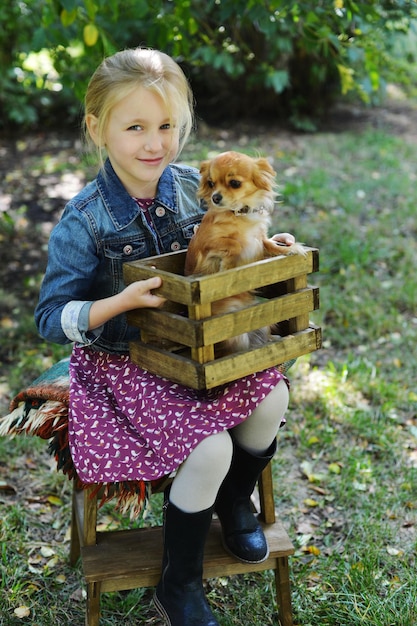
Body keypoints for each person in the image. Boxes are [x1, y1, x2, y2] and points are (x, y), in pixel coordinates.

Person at [35, 47, 295, 626]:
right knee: (211, 447)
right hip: (127, 362)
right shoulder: (85, 219)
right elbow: (51, 316)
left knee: (273, 397)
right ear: (97, 129)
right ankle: (180, 581)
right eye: (135, 127)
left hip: (198, 346)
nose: (155, 143)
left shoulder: (190, 185)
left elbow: (234, 236)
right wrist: (116, 303)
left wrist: (268, 247)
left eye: (167, 127)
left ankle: (234, 503)